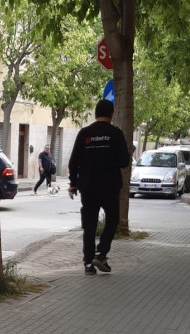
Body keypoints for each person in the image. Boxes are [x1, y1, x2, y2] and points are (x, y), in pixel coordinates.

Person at [68, 100, 130, 275]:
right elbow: (125, 161)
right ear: (111, 114)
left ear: (95, 114)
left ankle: (88, 264)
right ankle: (101, 252)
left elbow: (73, 162)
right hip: (110, 186)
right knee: (112, 220)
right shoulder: (116, 134)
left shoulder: (85, 133)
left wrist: (73, 184)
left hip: (88, 186)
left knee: (89, 225)